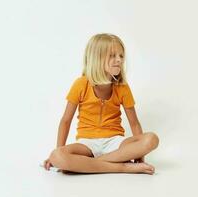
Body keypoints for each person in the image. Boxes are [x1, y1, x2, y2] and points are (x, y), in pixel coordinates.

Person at [43, 33, 159, 175]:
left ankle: (89, 165)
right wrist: (58, 152)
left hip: (115, 143)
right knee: (57, 156)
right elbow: (65, 121)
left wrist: (140, 158)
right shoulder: (81, 84)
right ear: (96, 59)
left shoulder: (122, 87)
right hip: (87, 144)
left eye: (121, 56)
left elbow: (134, 124)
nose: (119, 60)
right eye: (112, 56)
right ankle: (122, 167)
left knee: (151, 139)